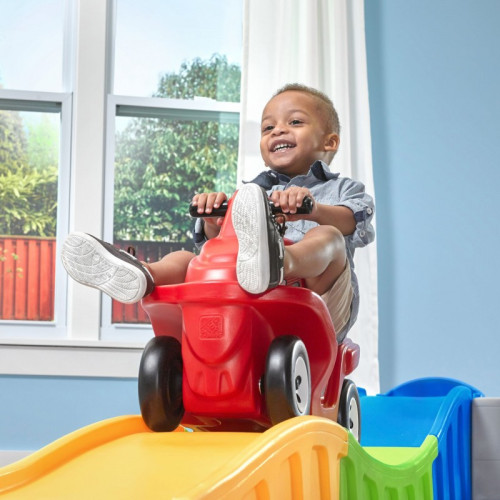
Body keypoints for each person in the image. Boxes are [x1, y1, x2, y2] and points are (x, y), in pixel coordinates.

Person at [61, 83, 374, 341]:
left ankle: (281, 262)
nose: (278, 131)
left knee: (329, 236)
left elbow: (352, 221)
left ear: (330, 142)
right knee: (191, 259)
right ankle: (145, 274)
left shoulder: (344, 189)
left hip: (320, 303)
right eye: (268, 127)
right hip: (249, 300)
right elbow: (219, 247)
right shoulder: (250, 193)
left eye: (294, 122)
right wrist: (214, 221)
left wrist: (313, 210)